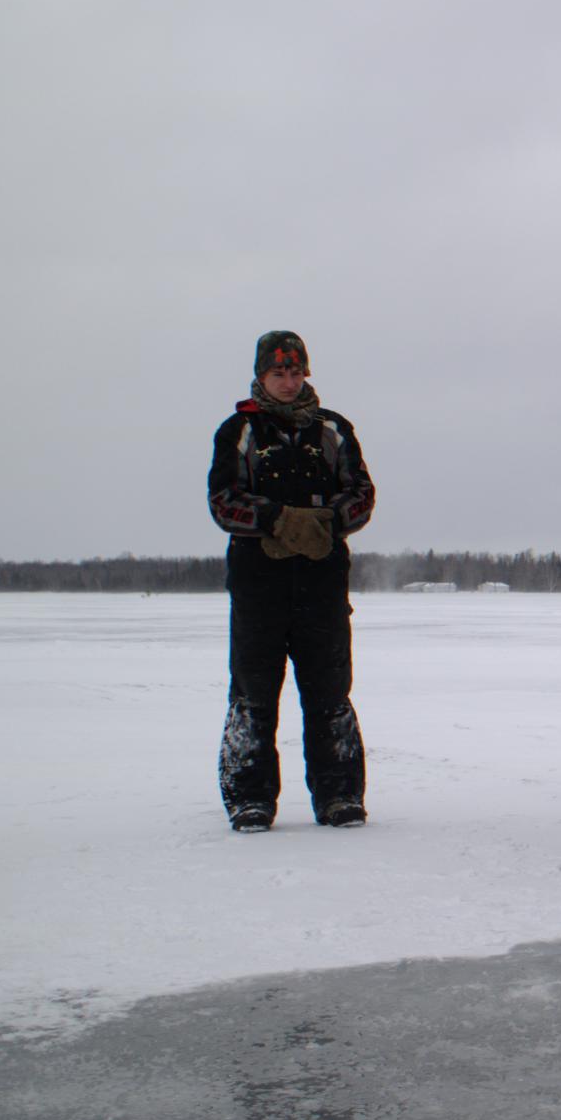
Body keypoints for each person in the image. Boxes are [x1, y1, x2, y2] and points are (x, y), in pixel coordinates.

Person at [207, 330, 376, 831]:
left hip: (322, 587)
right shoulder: (238, 431)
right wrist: (277, 520)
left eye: (295, 372)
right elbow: (222, 501)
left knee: (330, 694)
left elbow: (362, 494)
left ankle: (340, 797)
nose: (287, 381)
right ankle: (250, 800)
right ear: (261, 376)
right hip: (258, 588)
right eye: (278, 373)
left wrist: (325, 522)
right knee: (252, 696)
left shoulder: (334, 429)